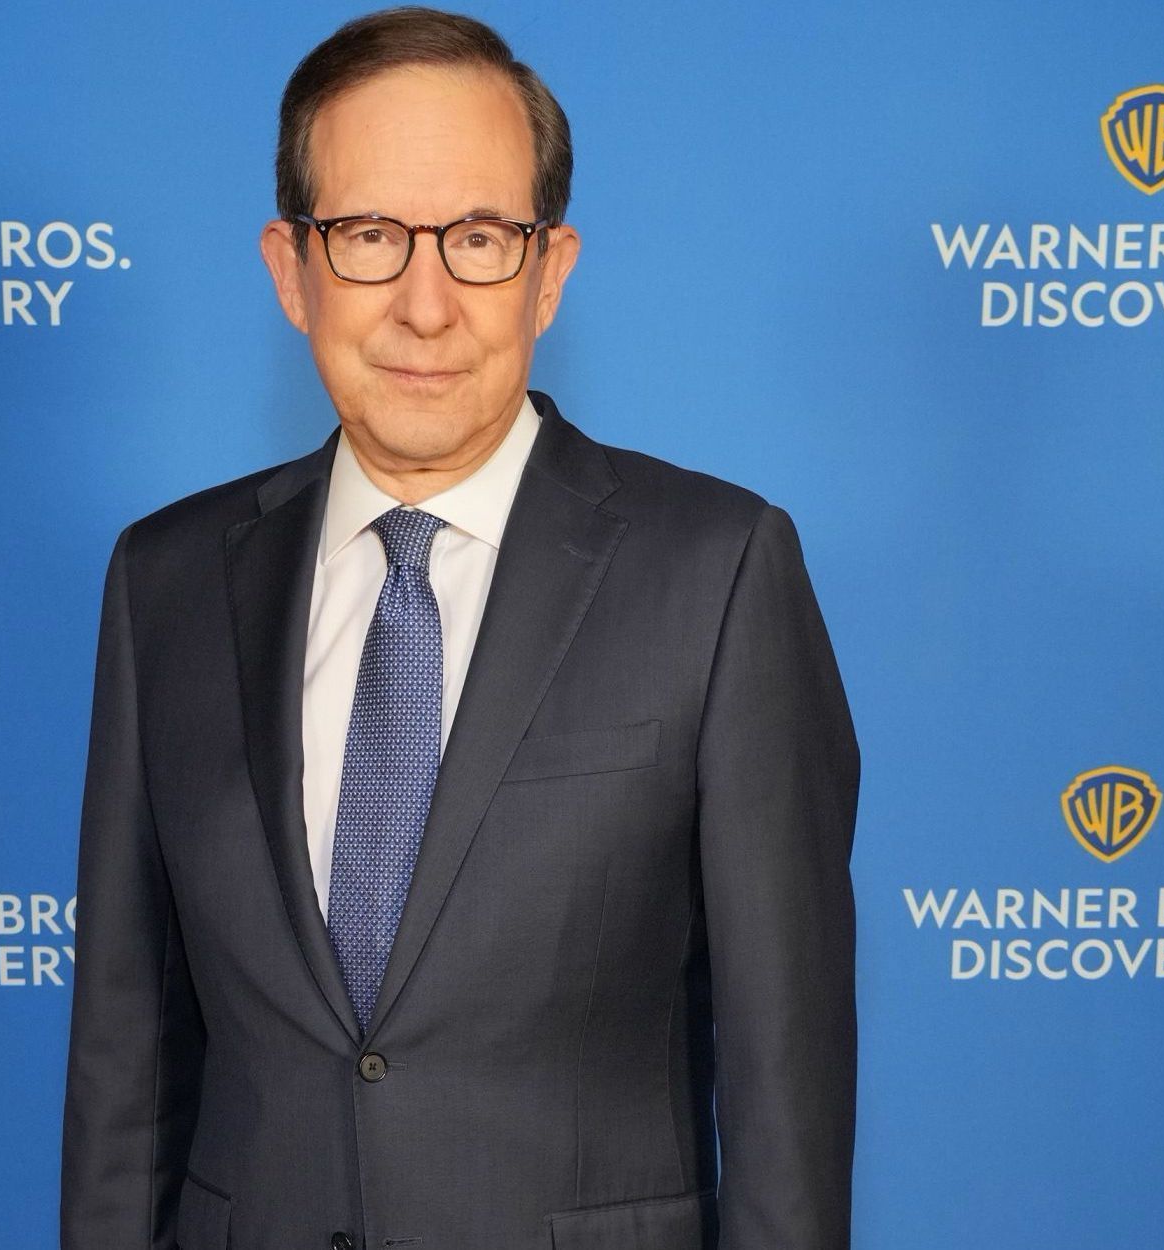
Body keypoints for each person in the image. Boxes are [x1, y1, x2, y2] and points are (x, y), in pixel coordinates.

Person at [59, 8, 859, 1249]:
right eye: (371, 235)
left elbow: (784, 1082)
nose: (424, 304)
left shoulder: (718, 571)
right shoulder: (162, 579)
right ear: (291, 268)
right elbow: (128, 1052)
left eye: (480, 237)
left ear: (551, 271)